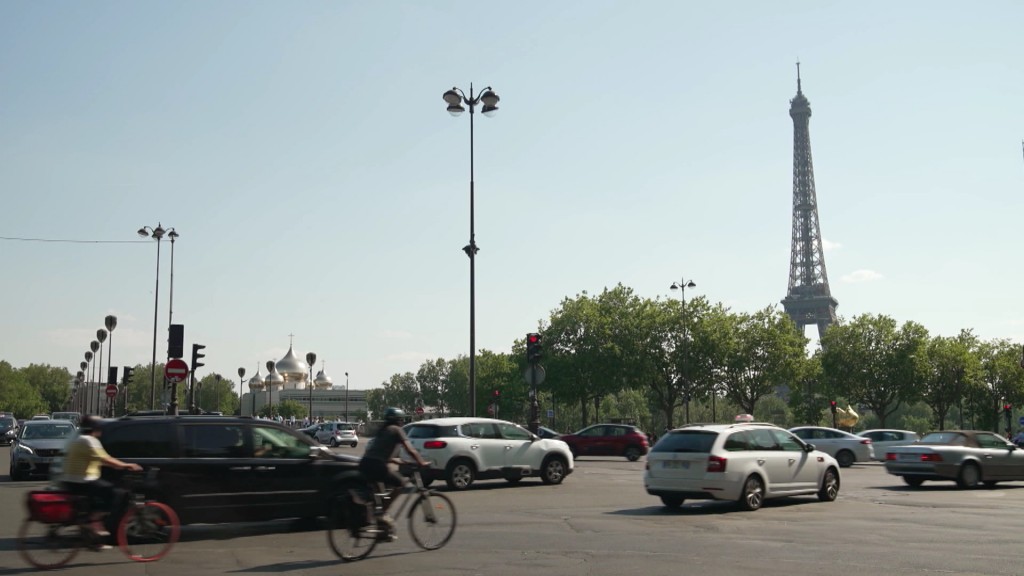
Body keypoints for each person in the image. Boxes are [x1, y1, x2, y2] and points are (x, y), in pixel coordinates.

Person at [59, 415, 143, 541]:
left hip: (70, 481)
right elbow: (105, 459)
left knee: (99, 494)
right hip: (83, 481)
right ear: (95, 428)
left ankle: (91, 535)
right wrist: (127, 465)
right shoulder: (90, 441)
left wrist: (118, 466)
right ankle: (94, 522)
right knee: (114, 494)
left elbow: (98, 460)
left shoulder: (78, 440)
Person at [356, 407, 430, 539]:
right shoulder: (397, 430)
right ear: (398, 420)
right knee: (400, 483)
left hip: (365, 464)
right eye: (401, 420)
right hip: (377, 466)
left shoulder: (383, 430)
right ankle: (382, 514)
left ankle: (382, 530)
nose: (402, 422)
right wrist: (421, 462)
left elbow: (382, 453)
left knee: (380, 496)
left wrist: (399, 462)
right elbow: (410, 450)